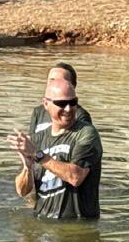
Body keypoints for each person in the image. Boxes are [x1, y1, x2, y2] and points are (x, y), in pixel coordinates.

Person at [8, 79, 103, 219]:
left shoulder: (86, 133)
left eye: (73, 102)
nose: (68, 109)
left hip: (78, 226)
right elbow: (22, 191)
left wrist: (38, 155)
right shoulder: (37, 140)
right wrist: (27, 168)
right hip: (42, 222)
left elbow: (76, 176)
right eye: (61, 103)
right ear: (46, 104)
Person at [29, 62, 92, 135]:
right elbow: (32, 138)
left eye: (61, 81)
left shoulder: (80, 115)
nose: (55, 84)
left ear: (73, 86)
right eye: (52, 80)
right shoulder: (38, 111)